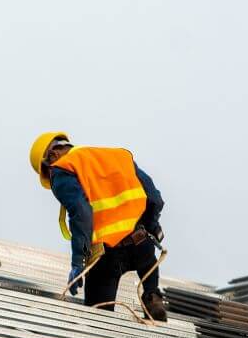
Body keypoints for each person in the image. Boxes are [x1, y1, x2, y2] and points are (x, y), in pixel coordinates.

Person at [29, 132, 167, 321]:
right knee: (148, 267)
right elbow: (154, 197)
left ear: (52, 156)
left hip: (107, 255)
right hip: (142, 243)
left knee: (98, 321)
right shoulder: (117, 156)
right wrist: (151, 226)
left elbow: (81, 214)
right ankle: (152, 295)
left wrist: (78, 262)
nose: (50, 175)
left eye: (46, 171)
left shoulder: (61, 170)